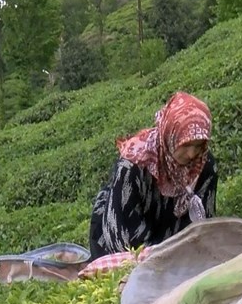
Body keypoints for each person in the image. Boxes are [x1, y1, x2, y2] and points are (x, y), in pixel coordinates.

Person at [88, 91, 218, 260]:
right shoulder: (134, 165)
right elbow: (124, 236)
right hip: (124, 236)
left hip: (172, 240)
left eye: (199, 145)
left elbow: (204, 224)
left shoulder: (204, 165)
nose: (192, 154)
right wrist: (157, 258)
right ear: (171, 136)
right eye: (185, 145)